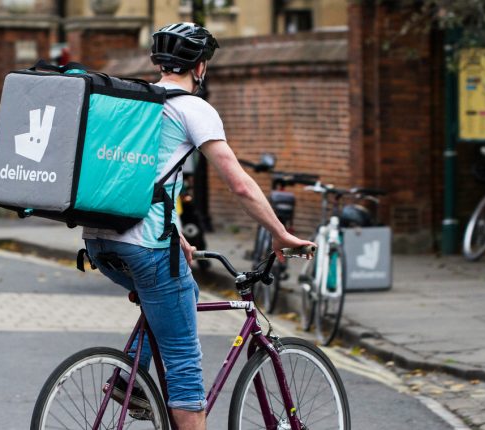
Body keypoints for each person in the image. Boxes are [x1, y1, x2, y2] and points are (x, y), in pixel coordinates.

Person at [82, 22, 314, 430]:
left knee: (180, 293)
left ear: (159, 63)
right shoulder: (193, 108)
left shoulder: (136, 103)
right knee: (184, 363)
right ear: (200, 67)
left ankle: (128, 380)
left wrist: (175, 234)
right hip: (146, 246)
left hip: (99, 240)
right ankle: (143, 388)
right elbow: (240, 185)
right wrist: (280, 233)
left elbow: (143, 176)